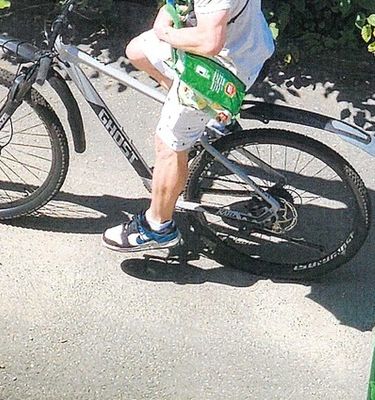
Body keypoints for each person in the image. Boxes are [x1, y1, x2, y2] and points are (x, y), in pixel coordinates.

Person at [102, 0, 275, 252]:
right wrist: (169, 13)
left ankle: (157, 227)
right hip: (246, 43)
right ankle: (209, 120)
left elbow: (210, 42)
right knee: (138, 50)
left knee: (169, 143)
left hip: (226, 67)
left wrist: (166, 33)